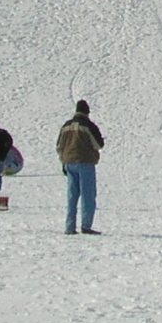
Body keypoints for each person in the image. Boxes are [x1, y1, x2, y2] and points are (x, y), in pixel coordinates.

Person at [56, 99, 105, 234]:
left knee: (72, 196)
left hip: (69, 163)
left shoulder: (66, 126)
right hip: (85, 162)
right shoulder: (88, 126)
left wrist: (63, 161)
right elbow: (98, 144)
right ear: (87, 112)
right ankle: (86, 226)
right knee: (87, 195)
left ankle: (69, 227)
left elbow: (59, 146)